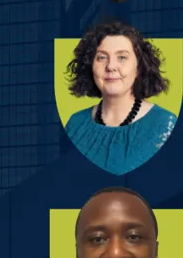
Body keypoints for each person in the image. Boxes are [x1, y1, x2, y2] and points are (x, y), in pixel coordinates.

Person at [64, 20, 176, 175]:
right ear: (90, 66)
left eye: (122, 57)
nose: (111, 66)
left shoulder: (165, 124)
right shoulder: (75, 125)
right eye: (101, 57)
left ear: (139, 68)